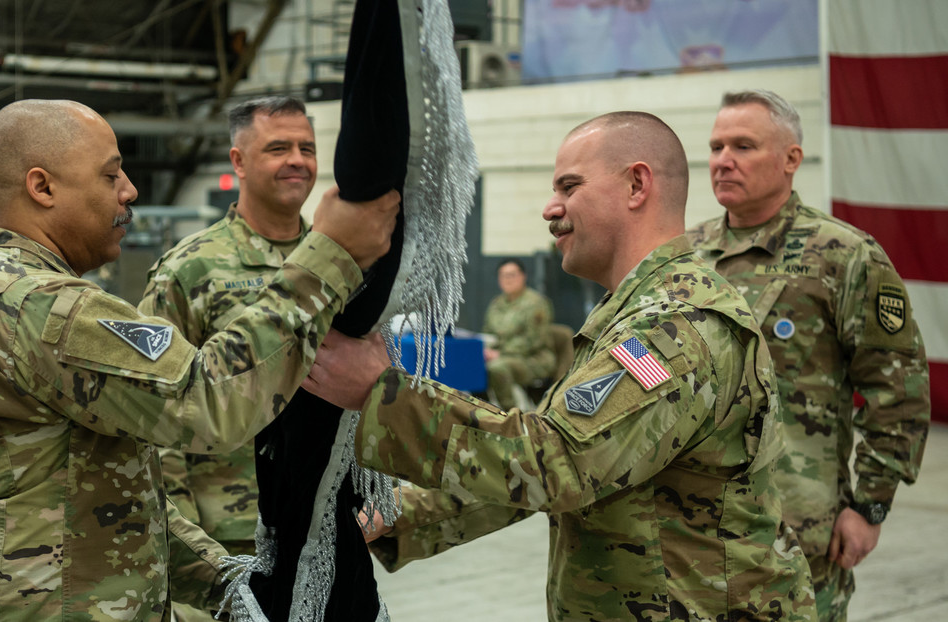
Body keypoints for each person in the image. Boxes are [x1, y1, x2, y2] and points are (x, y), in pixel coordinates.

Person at [0, 98, 399, 621]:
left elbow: (106, 494)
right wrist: (329, 256)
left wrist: (225, 581)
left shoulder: (0, 288)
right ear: (42, 188)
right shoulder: (35, 305)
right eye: (111, 175)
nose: (129, 190)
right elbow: (207, 401)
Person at [303, 111, 818, 621]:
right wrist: (394, 517)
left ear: (637, 185)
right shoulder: (631, 313)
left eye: (569, 187)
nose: (551, 208)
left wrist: (384, 394)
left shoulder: (676, 326)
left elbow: (559, 463)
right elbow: (551, 470)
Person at [685, 89, 930, 621]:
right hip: (690, 531)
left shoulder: (842, 254)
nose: (723, 159)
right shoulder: (687, 255)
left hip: (796, 533)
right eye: (716, 146)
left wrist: (870, 505)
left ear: (791, 158)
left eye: (744, 146)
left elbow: (900, 391)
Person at [139, 96, 317, 621]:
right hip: (227, 535)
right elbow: (154, 414)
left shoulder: (338, 266)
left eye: (307, 148)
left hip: (323, 522)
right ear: (238, 161)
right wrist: (187, 543)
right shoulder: (190, 270)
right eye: (278, 147)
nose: (298, 160)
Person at [482, 258, 555, 410]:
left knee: (497, 368)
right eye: (503, 276)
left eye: (512, 275)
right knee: (471, 365)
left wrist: (500, 353)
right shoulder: (496, 304)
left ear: (523, 276)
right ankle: (483, 411)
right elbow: (488, 333)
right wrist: (486, 349)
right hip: (504, 356)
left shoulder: (535, 303)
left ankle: (511, 416)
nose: (507, 280)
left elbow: (534, 341)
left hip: (534, 359)